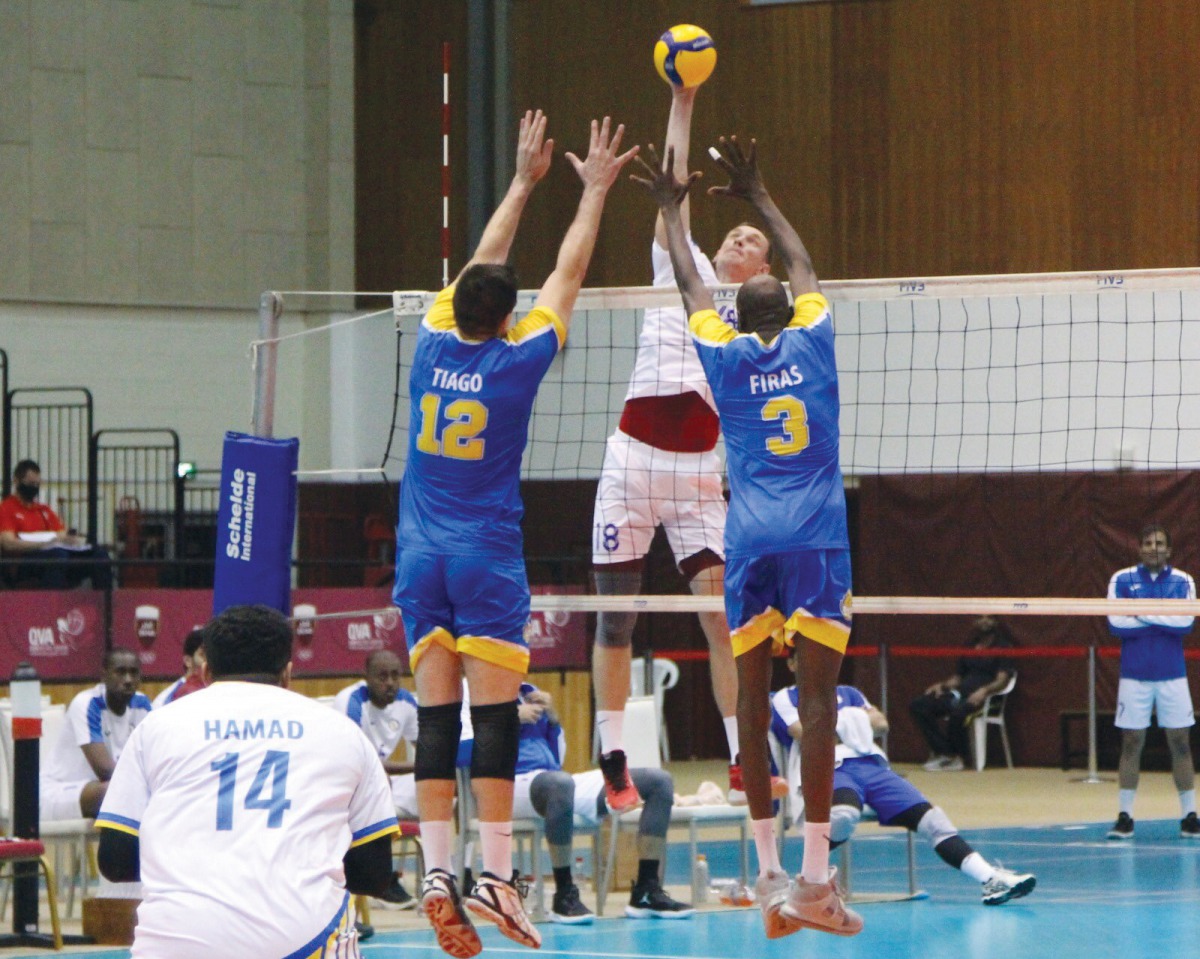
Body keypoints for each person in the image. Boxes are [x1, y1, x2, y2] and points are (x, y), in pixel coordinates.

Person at [393, 110, 637, 958]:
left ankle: (434, 869)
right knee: (492, 724)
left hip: (420, 555)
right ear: (506, 319)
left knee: (435, 718)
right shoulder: (520, 354)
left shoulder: (429, 338)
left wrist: (521, 183)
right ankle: (495, 875)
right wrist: (593, 191)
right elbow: (568, 269)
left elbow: (481, 266)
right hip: (486, 554)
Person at [633, 136, 861, 939]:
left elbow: (692, 279)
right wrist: (760, 195)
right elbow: (802, 262)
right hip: (815, 537)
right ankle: (810, 880)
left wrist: (668, 205)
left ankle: (766, 871)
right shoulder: (813, 335)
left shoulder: (725, 355)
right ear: (790, 310)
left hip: (751, 538)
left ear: (739, 314)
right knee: (821, 703)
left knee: (757, 700)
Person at [590, 83, 785, 811]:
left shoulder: (764, 319)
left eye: (751, 242)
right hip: (633, 463)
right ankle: (614, 759)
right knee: (617, 615)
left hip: (701, 476)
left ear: (762, 270)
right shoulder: (686, 268)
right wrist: (682, 98)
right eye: (734, 235)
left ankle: (745, 761)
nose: (739, 241)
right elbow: (673, 192)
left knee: (722, 620)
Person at [95, 605, 399, 958]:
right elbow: (375, 875)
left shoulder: (157, 727)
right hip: (305, 937)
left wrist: (195, 856)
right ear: (288, 673)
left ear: (205, 670)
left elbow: (115, 861)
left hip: (178, 940)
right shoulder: (344, 733)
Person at [770, 657, 1037, 905]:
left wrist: (837, 722)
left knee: (934, 820)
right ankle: (805, 880)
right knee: (843, 814)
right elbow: (803, 732)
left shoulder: (850, 693)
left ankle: (990, 879)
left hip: (873, 767)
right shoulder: (785, 697)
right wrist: (857, 718)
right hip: (828, 767)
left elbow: (882, 724)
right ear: (792, 664)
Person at [510, 682, 692, 924]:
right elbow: (461, 751)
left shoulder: (526, 691)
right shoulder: (472, 692)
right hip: (507, 785)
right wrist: (506, 719)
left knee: (658, 781)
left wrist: (552, 720)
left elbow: (556, 758)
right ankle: (564, 894)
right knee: (559, 784)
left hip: (551, 779)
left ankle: (646, 891)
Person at [1106, 523, 1199, 840]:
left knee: (1181, 743)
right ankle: (1125, 817)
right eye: (1148, 542)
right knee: (1132, 742)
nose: (1154, 547)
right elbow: (1116, 623)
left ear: (1169, 550)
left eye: (1160, 543)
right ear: (1140, 548)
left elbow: (1185, 623)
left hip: (1173, 676)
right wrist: (1162, 618)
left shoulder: (1183, 581)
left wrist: (1141, 612)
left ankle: (1189, 816)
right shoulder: (1122, 579)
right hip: (1134, 676)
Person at [334, 649, 420, 907]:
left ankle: (447, 878)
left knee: (436, 789)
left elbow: (427, 752)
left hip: (384, 782)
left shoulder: (407, 702)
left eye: (396, 676)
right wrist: (412, 766)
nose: (390, 683)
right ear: (366, 676)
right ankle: (382, 880)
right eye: (382, 676)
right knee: (376, 784)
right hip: (347, 783)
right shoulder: (350, 701)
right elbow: (356, 762)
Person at [41, 648, 151, 820]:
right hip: (58, 792)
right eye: (120, 672)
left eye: (133, 673)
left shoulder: (142, 704)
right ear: (104, 676)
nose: (128, 680)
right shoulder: (87, 703)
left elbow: (154, 761)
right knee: (113, 794)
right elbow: (105, 770)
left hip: (108, 788)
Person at [909, 616, 1017, 772]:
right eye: (980, 618)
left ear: (995, 622)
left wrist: (984, 691)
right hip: (958, 693)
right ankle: (946, 753)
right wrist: (943, 686)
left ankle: (955, 756)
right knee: (919, 705)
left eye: (988, 619)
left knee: (958, 713)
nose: (984, 622)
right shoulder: (970, 645)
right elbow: (958, 677)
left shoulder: (1003, 646)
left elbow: (1003, 680)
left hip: (983, 698)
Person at [0, 459, 112, 589]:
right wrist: (44, 544)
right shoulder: (6, 508)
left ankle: (105, 605)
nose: (34, 488)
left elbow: (61, 534)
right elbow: (8, 543)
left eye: (37, 484)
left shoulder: (43, 510)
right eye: (30, 483)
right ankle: (52, 606)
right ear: (16, 481)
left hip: (56, 556)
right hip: (25, 561)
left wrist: (69, 539)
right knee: (58, 555)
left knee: (99, 554)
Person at [150, 628, 206, 708]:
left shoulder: (220, 690)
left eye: (212, 655)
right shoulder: (165, 701)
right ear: (188, 661)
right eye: (203, 655)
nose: (209, 661)